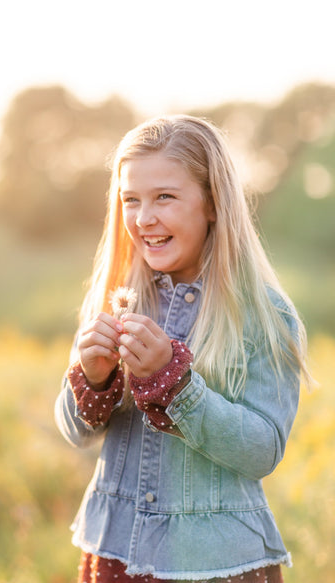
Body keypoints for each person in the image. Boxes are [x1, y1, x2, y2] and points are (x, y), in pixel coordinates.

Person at [55, 115, 311, 583]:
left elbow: (263, 451)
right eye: (130, 200)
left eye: (164, 197)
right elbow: (75, 432)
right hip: (116, 553)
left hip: (216, 564)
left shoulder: (264, 314)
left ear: (212, 203)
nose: (143, 218)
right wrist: (93, 378)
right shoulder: (115, 299)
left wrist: (175, 385)